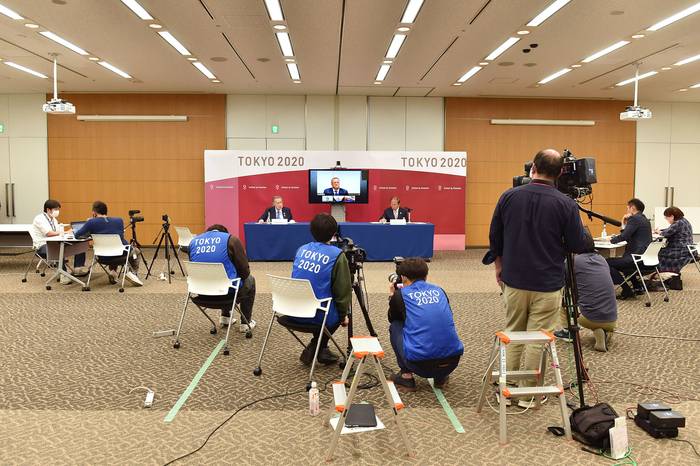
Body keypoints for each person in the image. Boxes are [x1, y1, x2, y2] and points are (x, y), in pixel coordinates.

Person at [488, 148, 588, 408]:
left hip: (513, 279)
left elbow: (495, 237)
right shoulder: (566, 204)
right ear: (560, 173)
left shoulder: (508, 196)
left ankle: (507, 390)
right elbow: (578, 243)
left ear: (533, 167)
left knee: (513, 332)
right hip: (547, 283)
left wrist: (498, 266)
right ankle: (529, 394)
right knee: (536, 338)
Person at [388, 257, 463, 392]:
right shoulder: (439, 290)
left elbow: (392, 317)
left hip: (420, 366)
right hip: (452, 362)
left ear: (403, 278)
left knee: (395, 326)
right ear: (426, 275)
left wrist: (392, 296)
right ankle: (441, 377)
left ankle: (406, 376)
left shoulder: (401, 295)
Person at [285, 213, 351, 366]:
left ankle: (322, 349)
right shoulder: (337, 255)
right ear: (334, 234)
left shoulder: (301, 249)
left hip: (291, 309)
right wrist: (343, 316)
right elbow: (342, 292)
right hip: (315, 314)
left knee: (323, 301)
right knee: (335, 311)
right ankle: (316, 346)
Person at [554, 232, 617, 352]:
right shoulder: (602, 259)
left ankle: (568, 332)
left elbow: (562, 280)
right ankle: (603, 330)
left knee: (564, 299)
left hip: (588, 318)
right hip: (612, 319)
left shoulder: (573, 261)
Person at [188, 224, 256, 332]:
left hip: (201, 293)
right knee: (249, 280)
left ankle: (225, 317)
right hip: (227, 294)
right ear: (224, 233)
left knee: (222, 279)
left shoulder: (193, 242)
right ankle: (245, 323)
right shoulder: (231, 240)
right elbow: (245, 271)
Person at [74, 201, 143, 287]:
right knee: (135, 251)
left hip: (101, 256)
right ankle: (132, 273)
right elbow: (120, 237)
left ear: (94, 212)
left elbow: (77, 235)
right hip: (120, 255)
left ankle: (113, 272)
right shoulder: (119, 220)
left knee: (110, 248)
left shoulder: (91, 222)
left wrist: (89, 226)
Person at [30, 199, 88, 284]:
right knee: (57, 249)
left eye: (58, 209)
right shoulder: (39, 219)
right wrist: (65, 232)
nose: (57, 211)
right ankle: (63, 274)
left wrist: (68, 233)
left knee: (80, 242)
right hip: (42, 246)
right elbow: (49, 233)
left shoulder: (53, 219)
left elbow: (57, 233)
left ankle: (78, 268)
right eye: (55, 209)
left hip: (56, 242)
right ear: (48, 210)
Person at [606, 198, 652, 300]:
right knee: (624, 263)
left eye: (628, 207)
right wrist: (624, 224)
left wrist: (610, 241)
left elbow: (624, 236)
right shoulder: (645, 219)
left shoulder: (634, 219)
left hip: (635, 257)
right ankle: (637, 286)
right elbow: (629, 234)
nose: (627, 209)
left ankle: (626, 289)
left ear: (632, 208)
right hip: (645, 258)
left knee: (606, 262)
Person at [654, 206, 694, 290]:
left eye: (667, 218)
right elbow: (669, 230)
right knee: (661, 252)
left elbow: (666, 233)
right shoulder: (684, 221)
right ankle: (668, 275)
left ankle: (667, 275)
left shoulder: (678, 223)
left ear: (672, 216)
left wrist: (659, 232)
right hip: (686, 249)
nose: (667, 220)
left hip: (680, 250)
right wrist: (661, 230)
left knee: (658, 254)